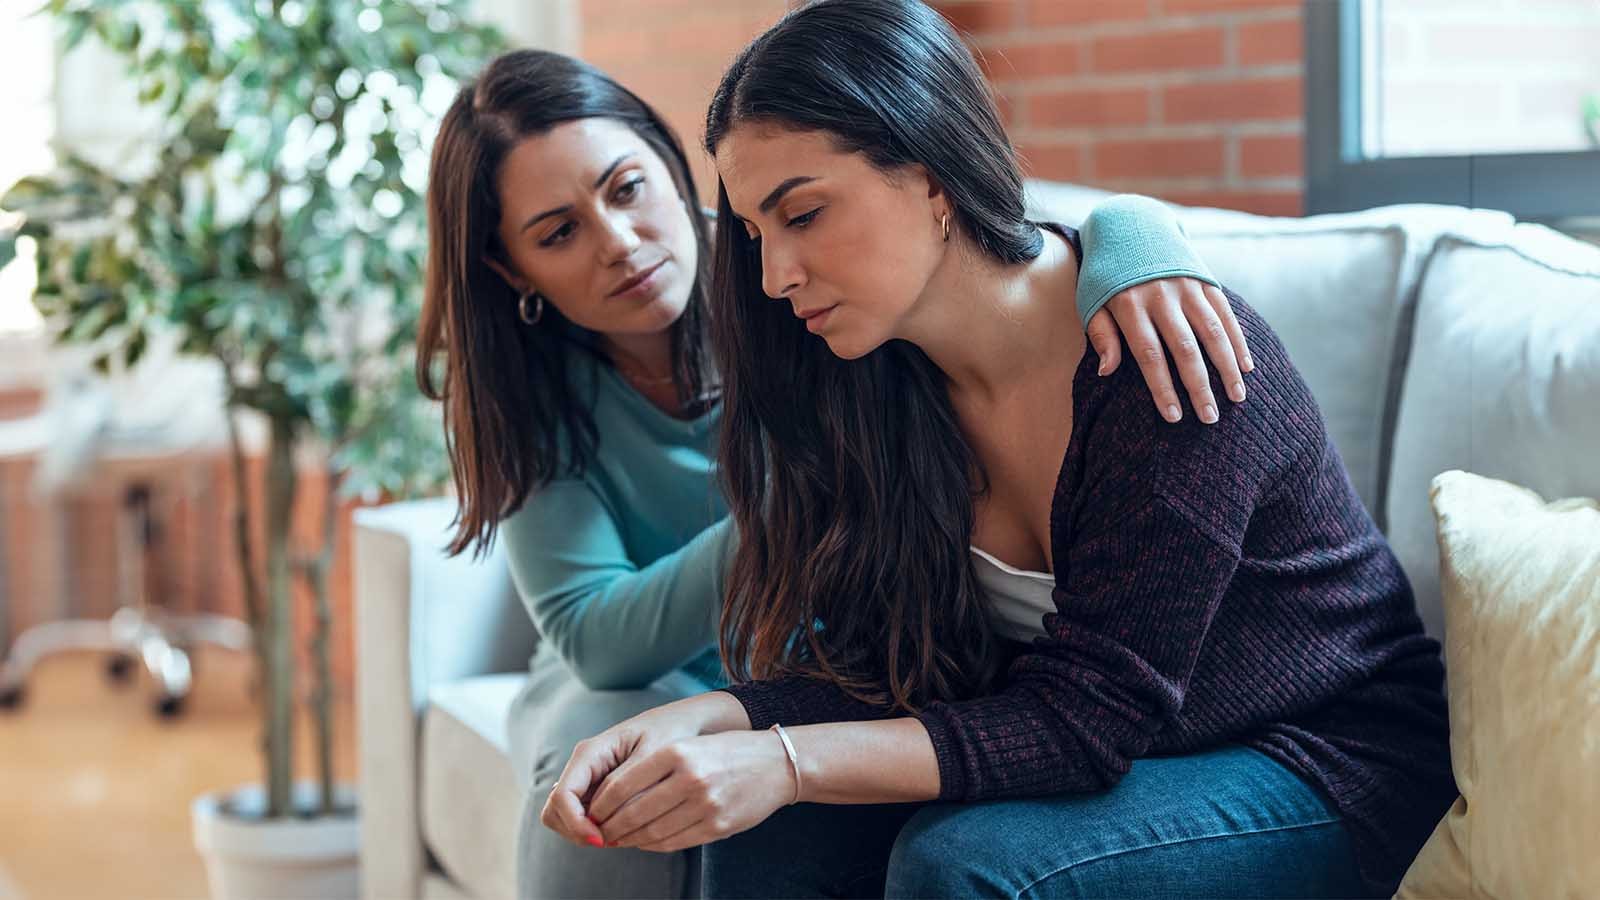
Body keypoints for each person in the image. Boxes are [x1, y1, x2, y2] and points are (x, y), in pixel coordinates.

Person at [533, 3, 1457, 898]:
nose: (776, 276)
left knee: (964, 860)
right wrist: (712, 718)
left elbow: (1090, 719)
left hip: (1324, 759)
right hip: (1146, 748)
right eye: (755, 234)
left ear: (931, 174)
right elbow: (890, 675)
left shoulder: (1159, 360)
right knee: (773, 827)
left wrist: (781, 757)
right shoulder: (880, 382)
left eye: (803, 215)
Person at [418, 49, 1242, 898]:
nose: (620, 245)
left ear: (670, 168)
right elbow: (599, 641)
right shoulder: (540, 389)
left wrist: (1140, 236)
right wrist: (812, 501)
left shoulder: (802, 283)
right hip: (661, 671)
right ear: (512, 271)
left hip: (828, 649)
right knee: (605, 751)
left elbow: (984, 235)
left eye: (627, 189)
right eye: (559, 233)